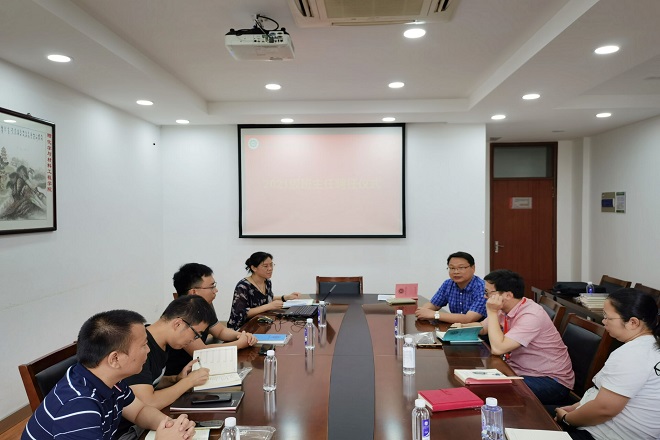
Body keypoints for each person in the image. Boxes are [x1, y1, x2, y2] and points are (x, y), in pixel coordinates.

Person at [22, 310, 196, 440]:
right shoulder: (79, 408)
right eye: (143, 345)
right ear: (115, 359)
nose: (148, 350)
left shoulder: (110, 379)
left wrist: (170, 425)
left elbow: (139, 411)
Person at [555, 289, 660, 440]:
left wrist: (566, 419)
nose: (603, 321)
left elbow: (604, 409)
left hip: (606, 434)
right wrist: (576, 408)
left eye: (607, 317)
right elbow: (603, 395)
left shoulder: (632, 354)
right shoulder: (650, 345)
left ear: (633, 322)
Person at [117, 296, 217, 438]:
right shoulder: (138, 349)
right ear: (178, 324)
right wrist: (188, 382)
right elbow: (148, 402)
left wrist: (175, 379)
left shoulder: (163, 343)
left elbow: (147, 382)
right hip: (128, 430)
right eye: (196, 334)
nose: (193, 340)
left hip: (147, 422)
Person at [480, 269, 574, 405]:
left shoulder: (531, 314)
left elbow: (498, 349)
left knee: (491, 393)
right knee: (477, 384)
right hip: (518, 370)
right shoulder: (507, 307)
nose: (485, 297)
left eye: (488, 292)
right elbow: (482, 328)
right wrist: (457, 329)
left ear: (508, 295)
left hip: (549, 380)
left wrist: (492, 311)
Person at [164, 263, 256, 376]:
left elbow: (220, 331)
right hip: (180, 374)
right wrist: (239, 344)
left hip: (199, 368)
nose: (216, 290)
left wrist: (242, 335)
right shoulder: (182, 313)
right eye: (211, 286)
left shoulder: (204, 305)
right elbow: (201, 351)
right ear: (194, 292)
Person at [227, 252, 301, 330]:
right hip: (242, 328)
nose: (270, 268)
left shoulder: (267, 281)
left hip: (261, 323)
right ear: (254, 268)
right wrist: (269, 306)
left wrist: (285, 297)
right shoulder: (243, 286)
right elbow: (241, 313)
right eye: (265, 266)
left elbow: (265, 298)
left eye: (271, 265)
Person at [415, 251, 487, 323]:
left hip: (479, 328)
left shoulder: (482, 288)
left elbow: (468, 319)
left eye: (461, 267)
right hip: (455, 327)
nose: (456, 272)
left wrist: (435, 314)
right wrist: (423, 311)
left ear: (473, 268)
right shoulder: (448, 284)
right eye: (452, 268)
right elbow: (434, 304)